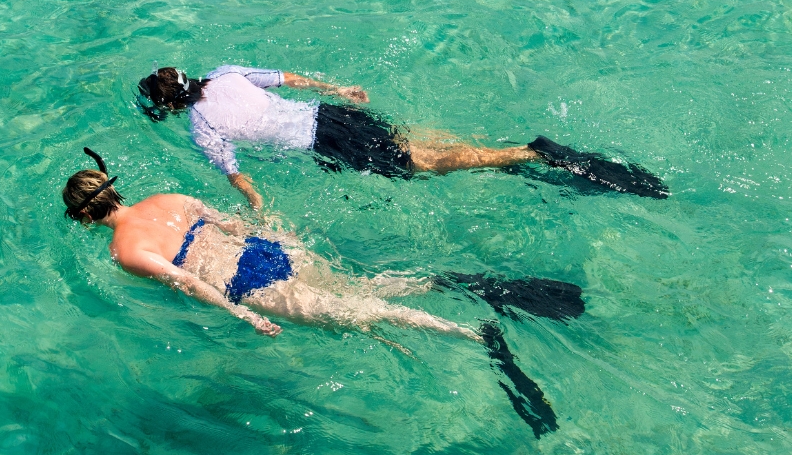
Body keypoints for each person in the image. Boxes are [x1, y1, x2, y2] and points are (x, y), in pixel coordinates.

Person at [63, 149, 586, 438]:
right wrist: (275, 233)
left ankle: (475, 334)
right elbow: (232, 223)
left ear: (86, 214)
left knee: (364, 313)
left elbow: (189, 281)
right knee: (361, 288)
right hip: (269, 251)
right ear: (111, 185)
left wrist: (242, 316)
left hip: (249, 285)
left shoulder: (124, 251)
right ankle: (453, 283)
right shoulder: (168, 198)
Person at [136, 63, 667, 212]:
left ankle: (528, 153)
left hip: (328, 144)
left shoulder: (202, 128)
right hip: (333, 116)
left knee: (423, 164)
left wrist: (258, 207)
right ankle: (504, 155)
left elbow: (236, 175)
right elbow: (289, 78)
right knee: (417, 142)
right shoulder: (225, 72)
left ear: (170, 105)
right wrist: (340, 89)